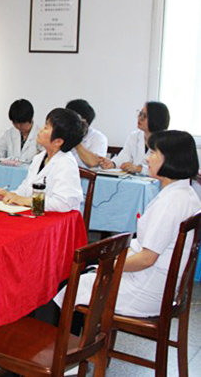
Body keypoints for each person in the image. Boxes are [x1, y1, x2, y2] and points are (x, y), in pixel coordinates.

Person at [55, 130, 201, 317]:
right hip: (159, 282)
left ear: (172, 159)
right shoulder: (186, 193)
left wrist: (111, 266)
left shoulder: (171, 202)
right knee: (85, 266)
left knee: (72, 280)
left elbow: (147, 259)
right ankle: (79, 331)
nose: (147, 159)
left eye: (153, 153)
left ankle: (71, 334)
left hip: (145, 290)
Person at [0, 108, 85, 212]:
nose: (40, 130)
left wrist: (24, 200)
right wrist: (10, 195)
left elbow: (63, 203)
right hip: (36, 214)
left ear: (58, 141)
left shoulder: (66, 163)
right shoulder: (39, 158)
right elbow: (26, 188)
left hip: (57, 219)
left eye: (46, 128)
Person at [99, 101, 170, 175]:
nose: (139, 118)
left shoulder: (166, 141)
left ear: (156, 119)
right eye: (140, 114)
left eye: (144, 116)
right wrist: (112, 164)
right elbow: (124, 157)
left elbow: (163, 169)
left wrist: (140, 169)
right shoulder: (134, 137)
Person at [65, 99, 108, 169]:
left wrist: (76, 140)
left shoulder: (98, 138)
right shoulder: (61, 133)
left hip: (85, 175)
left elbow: (93, 163)